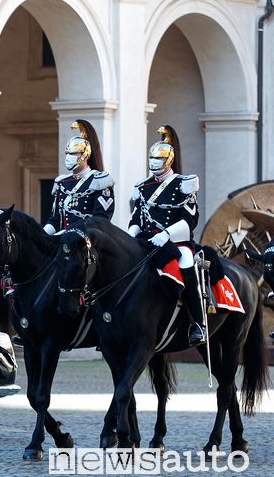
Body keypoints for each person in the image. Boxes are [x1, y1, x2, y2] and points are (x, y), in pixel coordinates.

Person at [128, 125, 205, 345]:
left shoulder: (184, 183)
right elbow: (135, 219)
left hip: (176, 241)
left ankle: (197, 323)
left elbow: (190, 219)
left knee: (185, 260)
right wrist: (131, 235)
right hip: (146, 241)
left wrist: (167, 234)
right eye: (151, 158)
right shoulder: (142, 187)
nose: (153, 162)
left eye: (158, 158)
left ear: (169, 160)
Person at [44, 120, 114, 235]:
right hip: (61, 239)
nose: (68, 157)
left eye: (73, 154)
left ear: (85, 155)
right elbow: (55, 220)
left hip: (87, 242)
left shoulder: (100, 181)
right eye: (67, 153)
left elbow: (101, 220)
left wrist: (68, 232)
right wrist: (42, 234)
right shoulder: (62, 182)